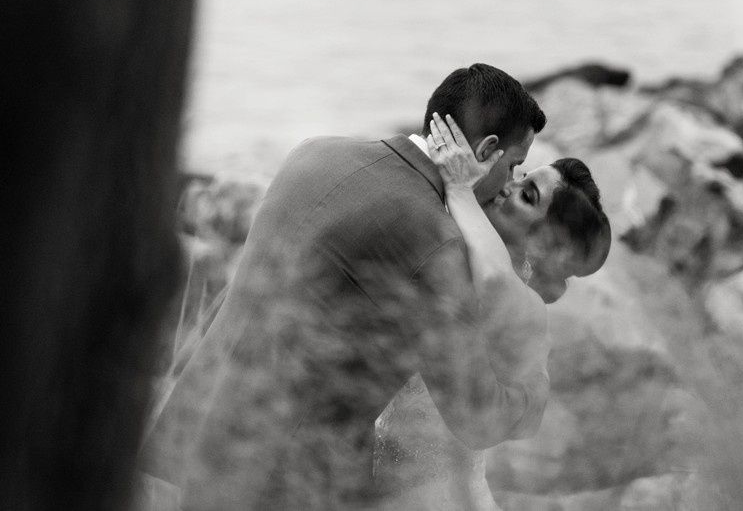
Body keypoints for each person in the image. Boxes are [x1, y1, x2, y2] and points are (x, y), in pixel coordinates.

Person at [140, 64, 550, 510]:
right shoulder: (434, 240)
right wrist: (532, 390)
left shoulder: (314, 152)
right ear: (486, 149)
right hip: (285, 481)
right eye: (513, 166)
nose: (510, 184)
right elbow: (475, 417)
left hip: (199, 433)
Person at [372, 113, 612, 510]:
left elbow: (494, 284)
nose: (508, 184)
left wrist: (460, 189)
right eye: (520, 173)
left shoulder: (511, 297)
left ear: (544, 244)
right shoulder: (461, 251)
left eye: (527, 195)